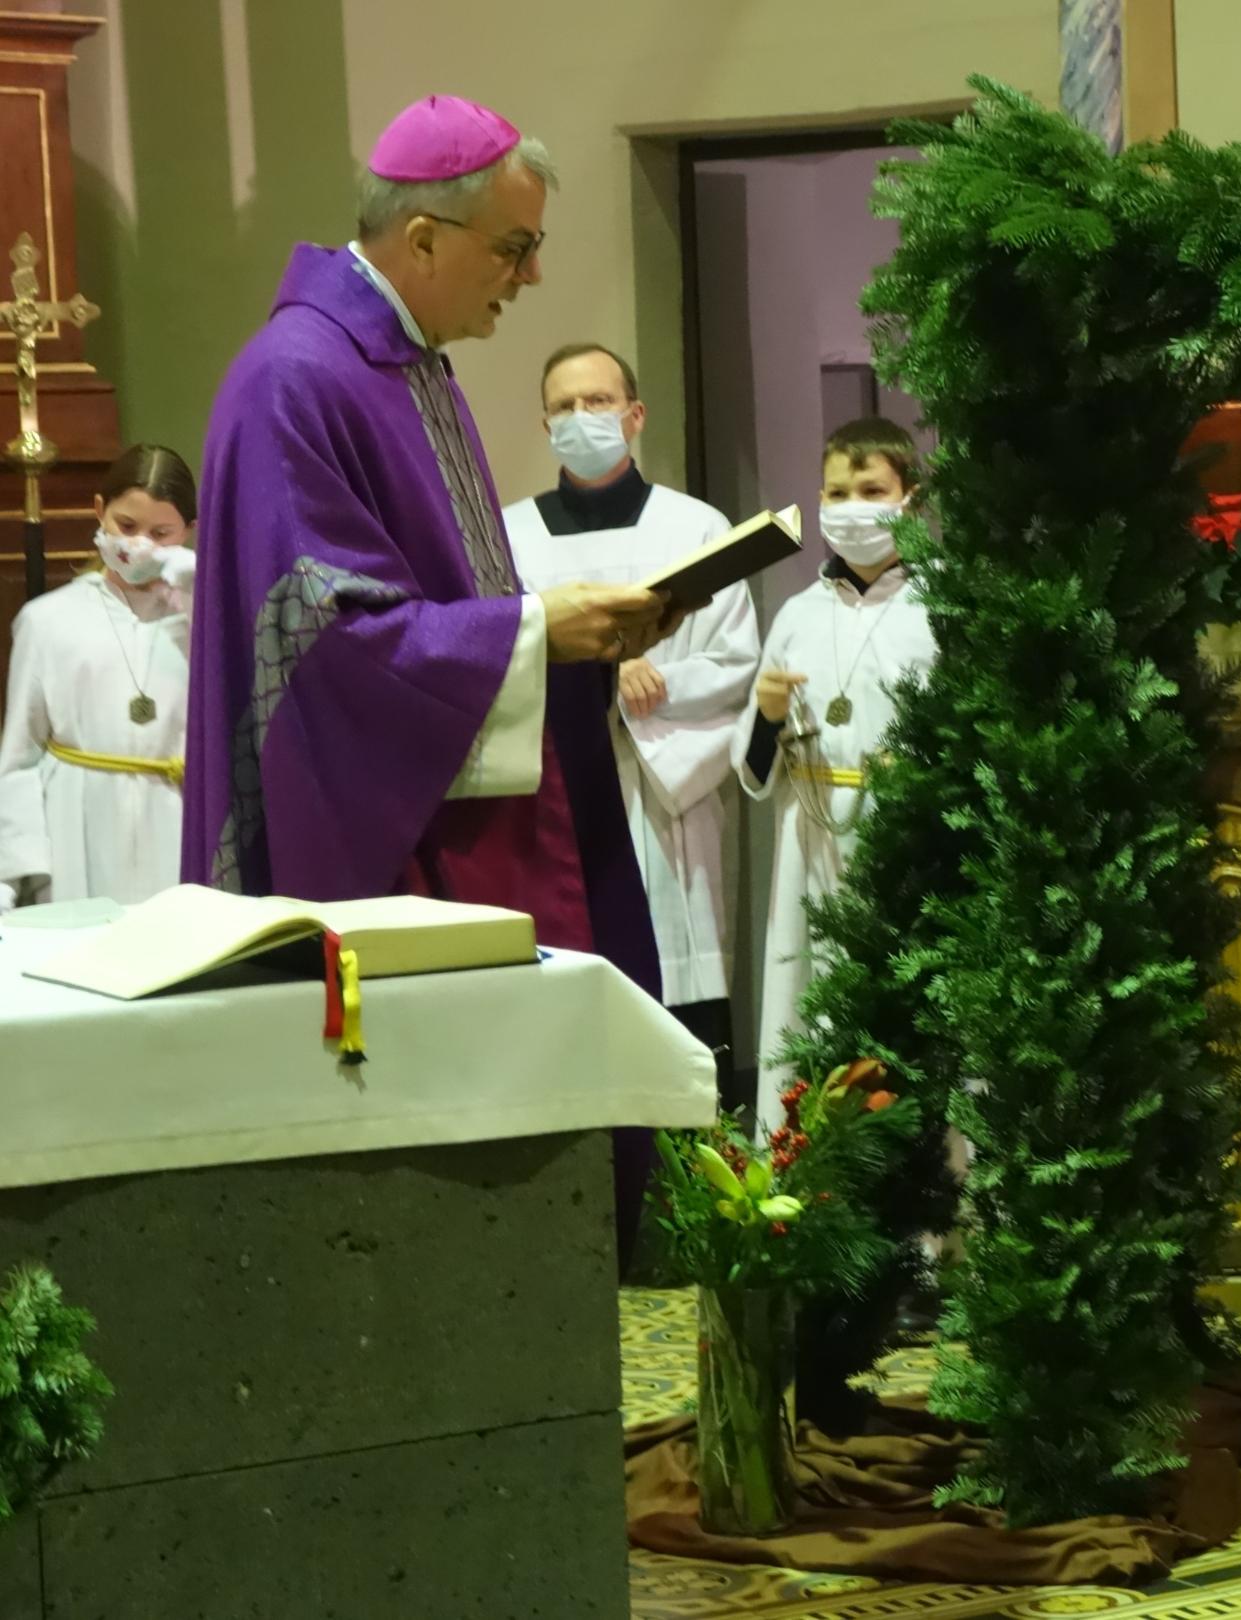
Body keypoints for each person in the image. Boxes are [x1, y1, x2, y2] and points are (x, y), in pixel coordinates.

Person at [182, 96, 686, 1272]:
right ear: (423, 238)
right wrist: (531, 632)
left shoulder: (404, 366)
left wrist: (556, 637)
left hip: (454, 816)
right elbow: (325, 642)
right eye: (512, 248)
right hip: (374, 865)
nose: (529, 276)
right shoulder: (297, 380)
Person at [504, 343, 760, 1095]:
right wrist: (599, 676)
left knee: (676, 1015)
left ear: (635, 415)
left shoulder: (697, 528)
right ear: (544, 424)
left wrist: (646, 683)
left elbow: (732, 669)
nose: (581, 419)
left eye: (598, 402)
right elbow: (490, 659)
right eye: (564, 407)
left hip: (661, 798)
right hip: (554, 796)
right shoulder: (509, 537)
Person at [733, 417, 936, 1129]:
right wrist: (764, 715)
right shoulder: (796, 614)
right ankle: (805, 1195)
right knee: (805, 1012)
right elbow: (754, 772)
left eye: (871, 489)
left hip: (904, 847)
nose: (852, 507)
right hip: (810, 844)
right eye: (836, 492)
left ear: (909, 498)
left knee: (908, 1023)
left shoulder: (941, 608)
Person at [0, 445, 199, 913]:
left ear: (189, 534)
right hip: (78, 832)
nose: (139, 544)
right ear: (98, 512)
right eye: (125, 526)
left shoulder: (205, 627)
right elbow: (19, 758)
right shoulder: (48, 621)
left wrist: (204, 599)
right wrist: (13, 874)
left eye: (161, 533)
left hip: (174, 826)